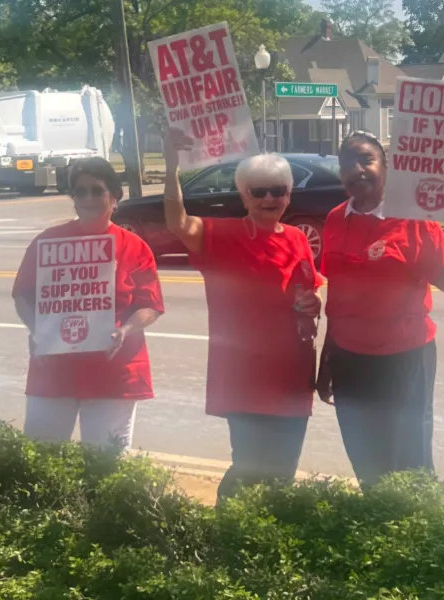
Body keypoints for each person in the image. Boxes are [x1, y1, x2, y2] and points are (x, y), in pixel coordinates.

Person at [164, 129, 323, 501]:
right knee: (250, 465)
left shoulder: (299, 238)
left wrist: (314, 304)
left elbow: (309, 290)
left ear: (288, 194)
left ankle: (270, 542)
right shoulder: (221, 234)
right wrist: (172, 168)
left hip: (292, 372)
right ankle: (231, 537)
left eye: (278, 190)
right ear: (244, 195)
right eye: (259, 191)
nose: (270, 198)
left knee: (283, 469)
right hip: (244, 373)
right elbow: (178, 223)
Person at [318, 131, 444, 486]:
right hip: (348, 359)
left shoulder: (414, 220)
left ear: (387, 166)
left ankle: (417, 534)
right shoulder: (335, 219)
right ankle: (380, 529)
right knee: (364, 452)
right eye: (348, 163)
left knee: (410, 459)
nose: (357, 169)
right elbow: (338, 297)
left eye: (366, 159)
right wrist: (327, 359)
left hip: (405, 359)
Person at [12, 157, 164, 451]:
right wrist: (36, 330)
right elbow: (22, 295)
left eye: (97, 190)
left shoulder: (134, 247)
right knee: (41, 463)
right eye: (80, 191)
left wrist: (125, 330)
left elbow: (151, 305)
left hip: (113, 372)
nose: (88, 198)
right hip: (53, 369)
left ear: (115, 197)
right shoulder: (48, 242)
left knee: (104, 467)